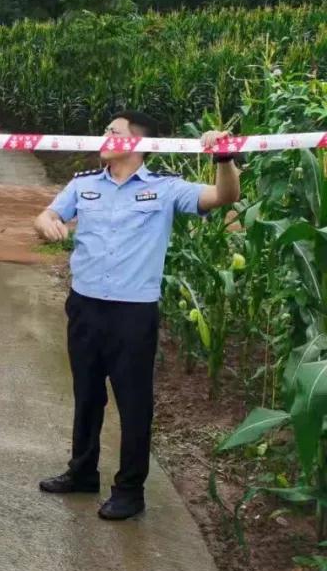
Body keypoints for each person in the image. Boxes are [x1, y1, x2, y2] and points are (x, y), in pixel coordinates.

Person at [33, 111, 240, 520]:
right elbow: (46, 215)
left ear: (137, 143)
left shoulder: (165, 190)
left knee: (134, 403)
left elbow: (224, 197)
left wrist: (223, 157)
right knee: (87, 395)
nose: (104, 135)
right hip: (85, 307)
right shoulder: (84, 184)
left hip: (132, 314)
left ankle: (129, 490)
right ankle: (82, 473)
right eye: (106, 129)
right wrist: (47, 224)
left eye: (113, 131)